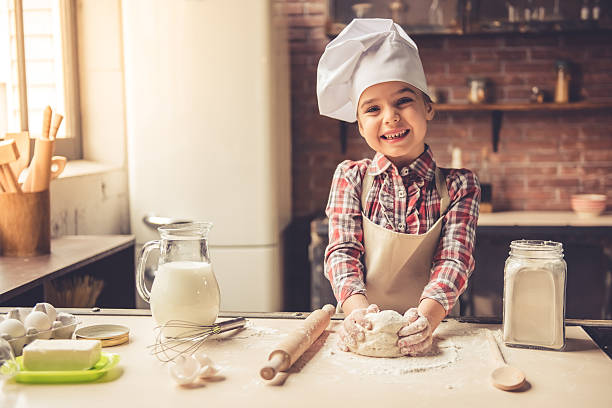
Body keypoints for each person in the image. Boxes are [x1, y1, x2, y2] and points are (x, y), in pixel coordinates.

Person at [317, 19, 480, 356]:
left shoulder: (460, 185)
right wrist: (359, 316)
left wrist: (425, 322)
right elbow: (343, 252)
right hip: (362, 330)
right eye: (373, 109)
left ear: (428, 108)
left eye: (403, 101)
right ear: (361, 126)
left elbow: (455, 260)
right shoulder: (351, 178)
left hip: (438, 332)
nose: (390, 117)